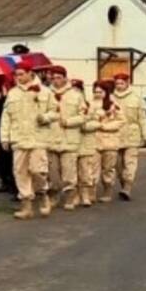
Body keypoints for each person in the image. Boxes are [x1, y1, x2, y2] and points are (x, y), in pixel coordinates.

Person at [0, 63, 57, 220]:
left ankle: (43, 194)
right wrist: (5, 137)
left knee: (37, 169)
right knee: (20, 172)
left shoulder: (45, 91)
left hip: (38, 137)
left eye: (21, 74)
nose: (18, 77)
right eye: (16, 75)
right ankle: (26, 205)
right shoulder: (12, 93)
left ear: (30, 73)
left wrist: (45, 117)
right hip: (19, 138)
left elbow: (55, 112)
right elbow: (6, 117)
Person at [48, 66, 84, 211]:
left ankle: (70, 196)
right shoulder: (46, 94)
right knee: (52, 173)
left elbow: (84, 115)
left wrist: (69, 121)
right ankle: (54, 195)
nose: (56, 81)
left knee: (69, 172)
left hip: (69, 139)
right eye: (53, 78)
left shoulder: (76, 95)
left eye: (58, 78)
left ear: (64, 78)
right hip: (51, 139)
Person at [111, 72, 146, 201]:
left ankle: (127, 187)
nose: (119, 86)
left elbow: (142, 118)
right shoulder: (110, 97)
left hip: (132, 133)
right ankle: (123, 183)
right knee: (117, 164)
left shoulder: (136, 98)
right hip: (115, 134)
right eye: (117, 83)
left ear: (128, 83)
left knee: (130, 162)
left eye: (122, 83)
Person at [91, 80, 125, 202]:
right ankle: (91, 192)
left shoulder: (113, 105)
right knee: (92, 168)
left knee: (108, 169)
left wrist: (105, 127)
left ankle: (107, 191)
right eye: (95, 91)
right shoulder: (89, 105)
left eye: (100, 91)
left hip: (110, 142)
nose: (98, 94)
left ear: (106, 92)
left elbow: (121, 121)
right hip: (94, 141)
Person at [73, 79, 100, 207]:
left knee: (85, 170)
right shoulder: (65, 106)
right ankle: (75, 195)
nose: (75, 92)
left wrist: (85, 126)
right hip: (71, 142)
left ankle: (85, 195)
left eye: (77, 90)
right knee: (72, 172)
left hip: (86, 142)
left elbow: (97, 122)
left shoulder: (89, 106)